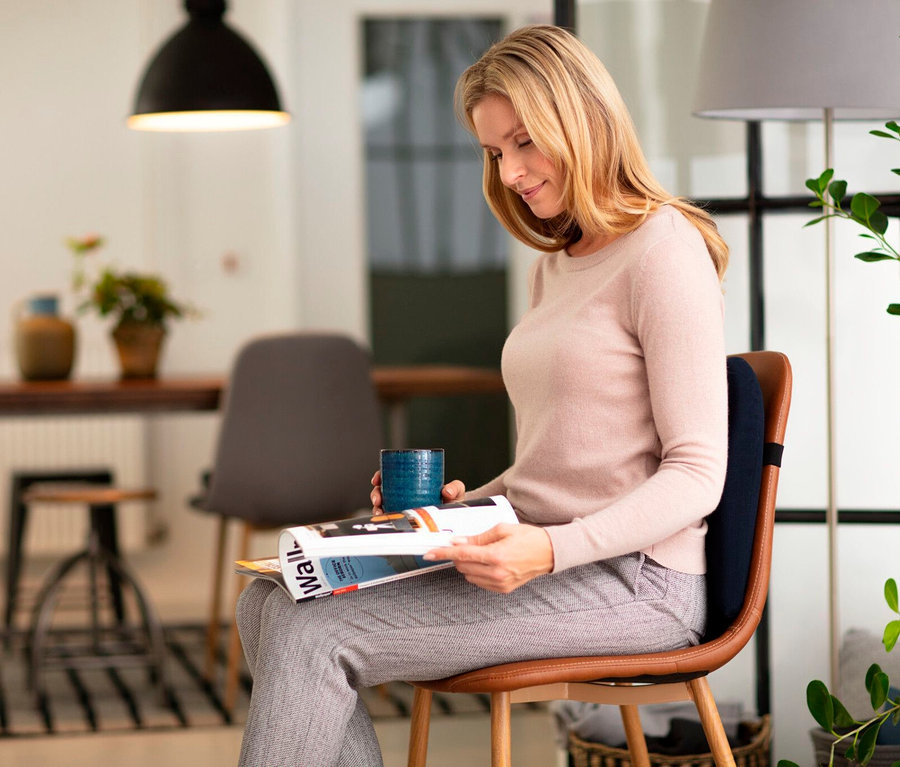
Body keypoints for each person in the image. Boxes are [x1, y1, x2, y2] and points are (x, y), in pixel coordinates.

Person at [235, 24, 729, 767]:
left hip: (637, 580)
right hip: (543, 551)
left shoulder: (664, 248)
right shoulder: (556, 266)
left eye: (525, 142)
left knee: (317, 630)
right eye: (496, 152)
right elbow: (559, 466)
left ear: (583, 118)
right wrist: (458, 510)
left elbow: (698, 474)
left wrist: (550, 548)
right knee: (268, 602)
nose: (512, 172)